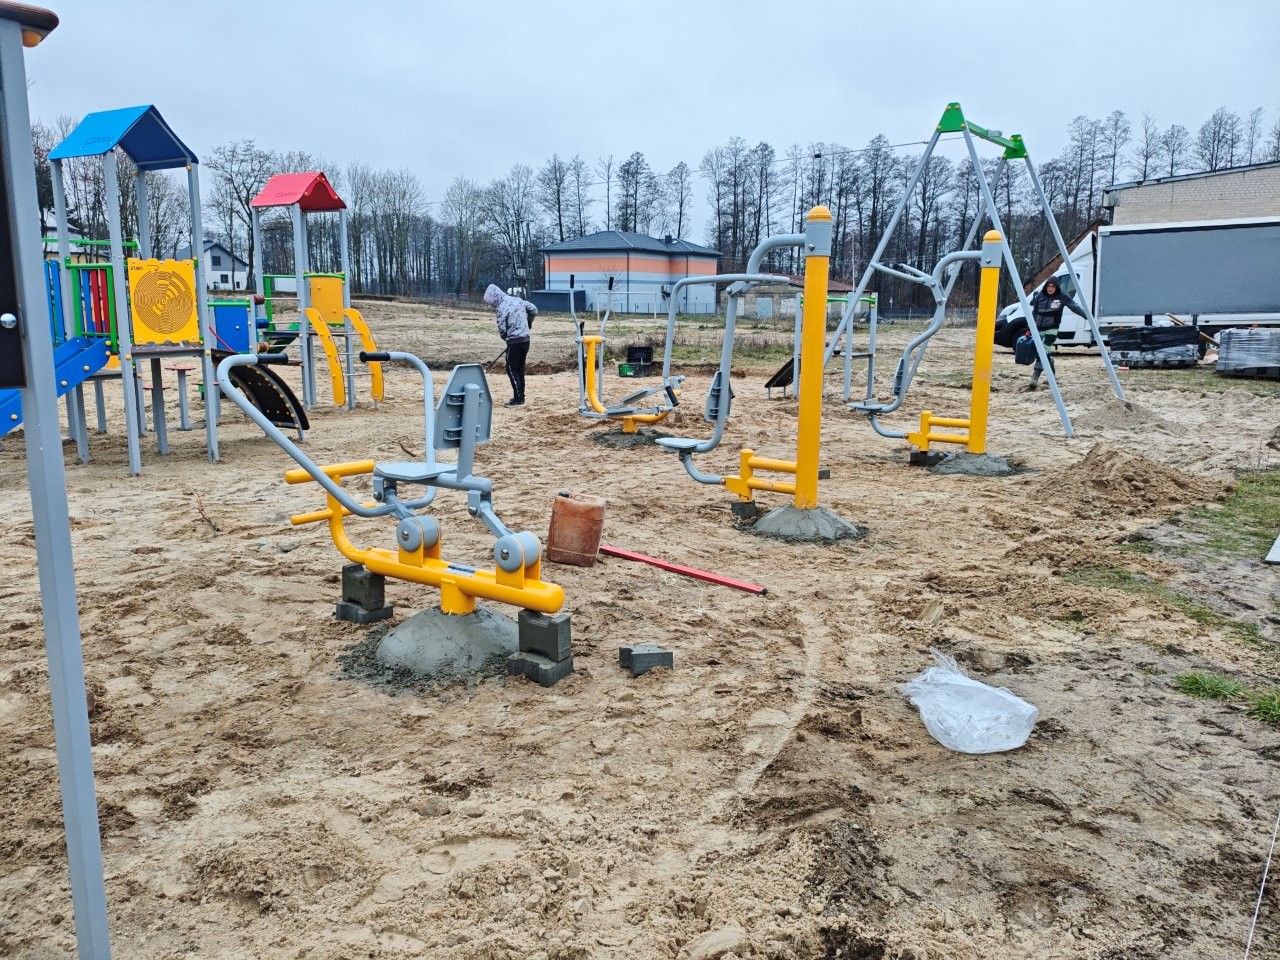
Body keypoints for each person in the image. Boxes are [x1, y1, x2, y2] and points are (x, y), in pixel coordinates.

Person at [1023, 277, 1085, 390]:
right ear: (1046, 286)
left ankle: (1034, 378)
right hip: (1038, 329)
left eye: (1053, 287)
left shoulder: (1062, 296)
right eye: (1048, 286)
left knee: (1042, 351)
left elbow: (1074, 306)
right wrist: (1029, 329)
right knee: (1043, 353)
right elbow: (1034, 313)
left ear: (1056, 287)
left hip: (1052, 329)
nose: (1050, 289)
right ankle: (1052, 374)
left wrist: (1086, 316)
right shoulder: (1040, 296)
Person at [483, 284, 538, 406]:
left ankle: (518, 399)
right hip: (526, 341)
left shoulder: (501, 307)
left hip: (514, 342)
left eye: (491, 302)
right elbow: (534, 309)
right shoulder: (517, 300)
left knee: (511, 370)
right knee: (520, 369)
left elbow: (502, 329)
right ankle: (521, 397)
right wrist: (529, 322)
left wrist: (506, 338)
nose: (492, 305)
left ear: (494, 297)